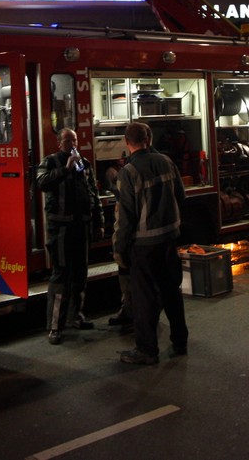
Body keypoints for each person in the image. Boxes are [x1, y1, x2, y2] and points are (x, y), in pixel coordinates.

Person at [112, 121, 189, 364]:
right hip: (169, 239)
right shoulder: (167, 162)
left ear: (127, 142)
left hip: (144, 246)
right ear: (149, 139)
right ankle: (180, 341)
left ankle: (147, 350)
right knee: (171, 292)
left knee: (144, 298)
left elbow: (125, 218)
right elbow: (181, 196)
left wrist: (119, 248)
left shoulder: (128, 172)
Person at [36, 127, 103, 345]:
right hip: (61, 231)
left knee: (80, 274)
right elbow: (42, 183)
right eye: (67, 141)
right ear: (59, 143)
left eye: (74, 140)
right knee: (61, 276)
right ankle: (55, 326)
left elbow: (93, 193)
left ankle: (76, 316)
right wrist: (65, 169)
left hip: (81, 228)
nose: (72, 144)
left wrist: (98, 223)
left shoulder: (85, 164)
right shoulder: (50, 162)